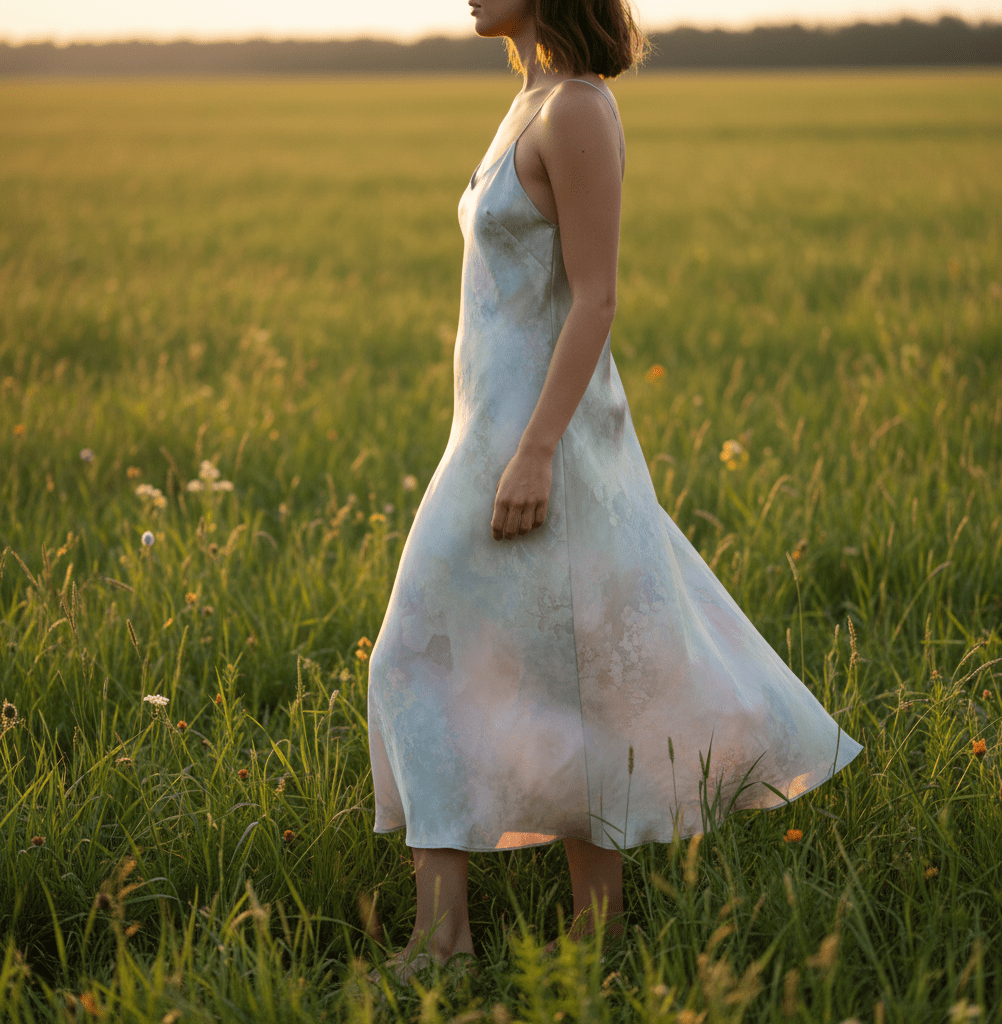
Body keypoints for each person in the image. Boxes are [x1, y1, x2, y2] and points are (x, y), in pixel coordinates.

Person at [366, 0, 862, 979]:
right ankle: (567, 938)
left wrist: (537, 451)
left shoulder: (578, 110)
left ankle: (455, 942)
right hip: (494, 436)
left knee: (417, 660)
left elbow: (596, 297)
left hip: (540, 444)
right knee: (551, 671)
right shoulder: (529, 100)